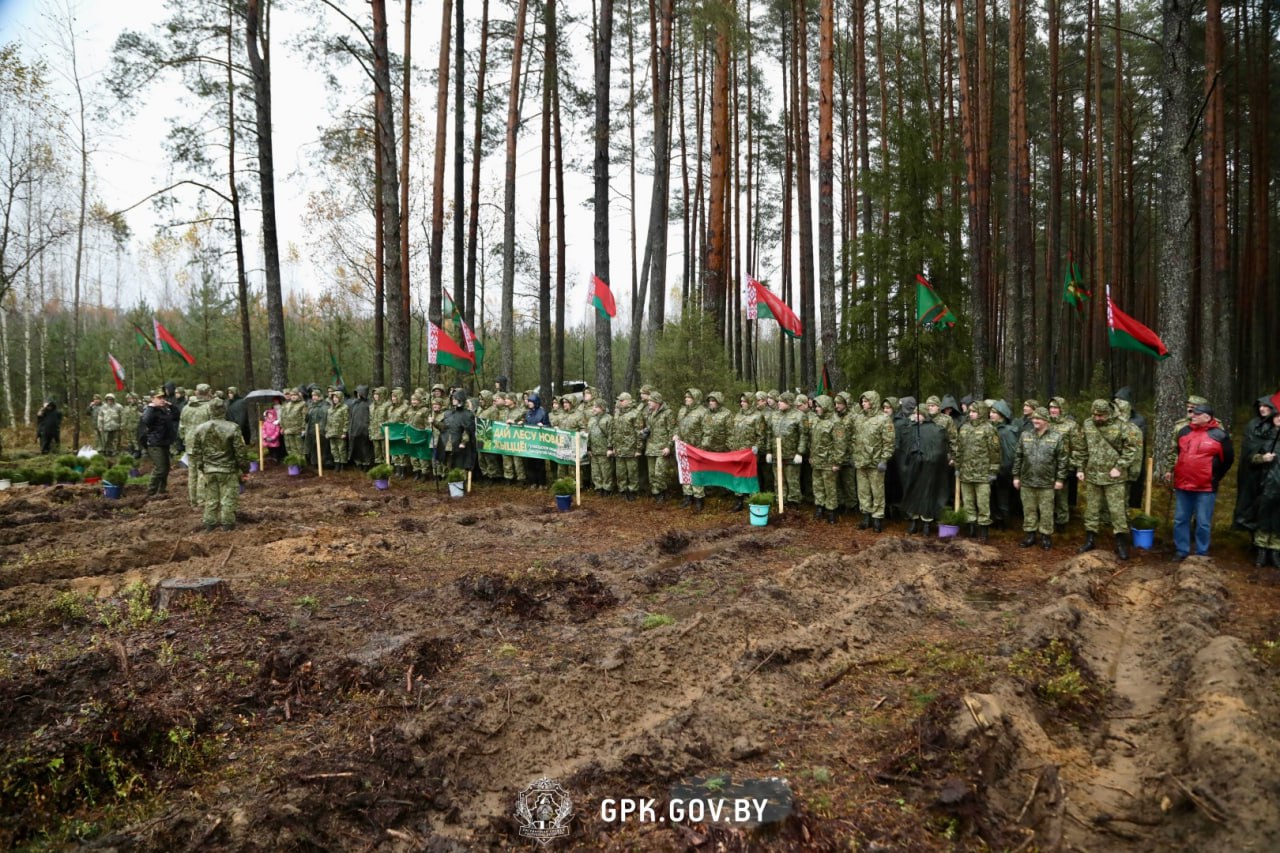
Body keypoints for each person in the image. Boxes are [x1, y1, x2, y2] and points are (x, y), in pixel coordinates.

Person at [1167, 403, 1234, 561]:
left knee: (1203, 522)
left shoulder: (1220, 435)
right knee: (1180, 519)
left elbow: (1228, 460)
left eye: (1197, 413)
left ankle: (1201, 553)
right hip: (1183, 485)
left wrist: (1214, 476)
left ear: (1207, 417)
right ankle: (1181, 550)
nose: (1193, 416)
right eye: (1192, 413)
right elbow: (1178, 453)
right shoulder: (1184, 432)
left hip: (1206, 487)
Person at [1072, 399, 1138, 560]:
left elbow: (1131, 449)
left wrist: (1119, 467)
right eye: (1095, 415)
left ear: (1108, 413)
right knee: (1091, 510)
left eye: (1101, 416)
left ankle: (1121, 543)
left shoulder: (1122, 425)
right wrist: (1080, 468)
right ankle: (1090, 539)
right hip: (1093, 475)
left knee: (1117, 511)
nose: (1098, 418)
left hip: (1114, 476)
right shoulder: (1087, 424)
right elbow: (1081, 448)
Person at [188, 396, 247, 531]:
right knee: (228, 498)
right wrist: (244, 468)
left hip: (209, 469)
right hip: (228, 469)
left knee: (211, 498)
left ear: (210, 410)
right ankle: (227, 525)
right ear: (224, 410)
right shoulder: (233, 427)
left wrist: (202, 466)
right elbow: (240, 451)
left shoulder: (200, 428)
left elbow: (196, 452)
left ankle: (209, 524)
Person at [1013, 407, 1068, 550]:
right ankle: (1030, 535)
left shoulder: (1056, 437)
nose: (1035, 421)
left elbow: (1063, 460)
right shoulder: (1025, 435)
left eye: (1039, 419)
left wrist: (1060, 479)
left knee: (1046, 511)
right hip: (1027, 480)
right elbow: (1018, 457)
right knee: (1029, 510)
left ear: (1046, 421)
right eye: (1034, 419)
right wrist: (1016, 476)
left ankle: (1045, 537)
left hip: (1047, 482)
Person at [896, 399, 949, 535]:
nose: (916, 415)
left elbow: (940, 450)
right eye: (915, 413)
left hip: (928, 469)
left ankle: (926, 522)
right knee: (911, 492)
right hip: (912, 468)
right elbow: (902, 448)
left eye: (919, 413)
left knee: (927, 494)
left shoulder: (936, 430)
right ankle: (913, 521)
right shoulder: (908, 429)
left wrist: (928, 458)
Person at [956, 400, 1002, 541]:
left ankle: (983, 530)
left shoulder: (989, 429)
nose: (971, 414)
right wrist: (957, 467)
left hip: (983, 474)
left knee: (983, 503)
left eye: (974, 412)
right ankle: (971, 528)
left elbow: (995, 452)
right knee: (968, 502)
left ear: (981, 412)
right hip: (966, 473)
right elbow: (959, 450)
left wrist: (993, 472)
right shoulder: (964, 428)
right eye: (970, 412)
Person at [852, 390, 895, 532]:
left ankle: (877, 518)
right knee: (863, 491)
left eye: (866, 401)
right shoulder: (859, 418)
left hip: (875, 462)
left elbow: (889, 442)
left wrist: (884, 459)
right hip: (861, 462)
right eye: (862, 402)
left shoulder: (884, 419)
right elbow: (854, 438)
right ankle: (866, 517)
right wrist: (855, 455)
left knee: (877, 492)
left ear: (873, 402)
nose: (863, 404)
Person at [1235, 395, 1277, 529]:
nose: (1262, 409)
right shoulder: (1253, 425)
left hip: (1274, 474)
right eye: (1260, 406)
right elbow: (1249, 450)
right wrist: (1260, 457)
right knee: (1252, 504)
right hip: (1253, 473)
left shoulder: (1276, 425)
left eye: (1266, 406)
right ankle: (1255, 538)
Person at [1247, 408, 1280, 567]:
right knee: (1263, 515)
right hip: (1265, 484)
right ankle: (1261, 550)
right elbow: (1250, 458)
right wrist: (1262, 458)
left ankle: (1275, 551)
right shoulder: (1264, 437)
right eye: (1278, 416)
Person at [808, 395, 846, 524]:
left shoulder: (836, 422)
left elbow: (840, 444)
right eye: (816, 406)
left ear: (826, 407)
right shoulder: (815, 420)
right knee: (817, 486)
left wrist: (837, 462)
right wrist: (811, 456)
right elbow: (812, 441)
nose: (817, 409)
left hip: (829, 461)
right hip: (817, 460)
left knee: (830, 488)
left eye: (819, 406)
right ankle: (820, 507)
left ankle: (831, 511)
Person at [179, 384, 214, 507]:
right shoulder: (209, 408)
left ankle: (193, 500)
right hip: (204, 445)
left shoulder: (186, 408)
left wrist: (186, 440)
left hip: (190, 445)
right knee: (202, 473)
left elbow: (181, 428)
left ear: (197, 392)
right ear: (208, 392)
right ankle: (201, 501)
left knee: (192, 473)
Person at [140, 390, 177, 496]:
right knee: (160, 468)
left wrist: (171, 405)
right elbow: (146, 421)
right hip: (155, 443)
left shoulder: (164, 410)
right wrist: (152, 407)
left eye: (163, 398)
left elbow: (176, 415)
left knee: (166, 467)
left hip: (165, 442)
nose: (162, 400)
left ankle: (162, 489)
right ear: (153, 399)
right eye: (159, 398)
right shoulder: (150, 410)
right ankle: (151, 491)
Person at [612, 392, 645, 501]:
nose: (620, 403)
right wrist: (613, 446)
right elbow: (614, 431)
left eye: (622, 400)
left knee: (632, 472)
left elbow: (639, 432)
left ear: (628, 401)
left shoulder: (635, 413)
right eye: (619, 401)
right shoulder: (617, 413)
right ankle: (623, 490)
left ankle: (632, 491)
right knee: (620, 472)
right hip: (619, 449)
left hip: (631, 449)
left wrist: (639, 449)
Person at [437, 389, 477, 475]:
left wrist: (463, 442)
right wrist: (434, 422)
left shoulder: (467, 414)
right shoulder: (448, 413)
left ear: (460, 399)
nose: (453, 400)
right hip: (449, 443)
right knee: (449, 464)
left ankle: (460, 484)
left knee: (460, 464)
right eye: (452, 399)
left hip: (461, 444)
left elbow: (468, 430)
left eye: (455, 398)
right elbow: (443, 427)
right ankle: (450, 482)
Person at [643, 391, 675, 500]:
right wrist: (645, 431)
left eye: (650, 401)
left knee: (659, 473)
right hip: (651, 447)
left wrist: (669, 446)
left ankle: (662, 492)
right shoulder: (649, 412)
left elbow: (672, 431)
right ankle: (656, 493)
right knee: (652, 474)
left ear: (657, 401)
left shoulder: (668, 413)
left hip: (662, 448)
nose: (649, 403)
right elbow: (650, 427)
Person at [524, 392, 552, 487]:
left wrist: (543, 426)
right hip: (529, 441)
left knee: (539, 464)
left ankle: (541, 483)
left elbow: (549, 426)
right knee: (530, 463)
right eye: (528, 401)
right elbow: (526, 423)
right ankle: (533, 482)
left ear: (536, 402)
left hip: (539, 442)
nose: (529, 403)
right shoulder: (528, 413)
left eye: (531, 401)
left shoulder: (543, 412)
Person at [325, 388, 350, 472]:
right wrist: (327, 431)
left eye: (336, 397)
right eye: (333, 397)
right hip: (332, 432)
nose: (335, 399)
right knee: (334, 449)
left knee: (341, 449)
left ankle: (343, 465)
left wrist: (344, 432)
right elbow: (328, 421)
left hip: (340, 433)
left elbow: (346, 420)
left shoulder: (344, 408)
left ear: (340, 398)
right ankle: (337, 464)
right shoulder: (330, 409)